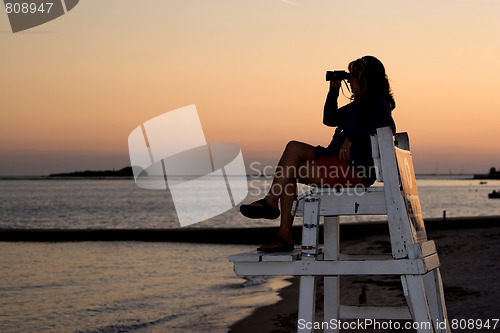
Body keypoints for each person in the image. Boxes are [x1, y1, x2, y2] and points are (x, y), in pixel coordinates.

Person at [240, 56, 396, 252]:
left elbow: (388, 128)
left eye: (353, 75)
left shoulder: (377, 103)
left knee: (291, 162)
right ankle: (279, 223)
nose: (349, 80)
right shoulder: (357, 105)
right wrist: (333, 89)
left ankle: (278, 221)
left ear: (366, 78)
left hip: (355, 171)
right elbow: (329, 118)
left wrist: (354, 136)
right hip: (336, 161)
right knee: (291, 154)